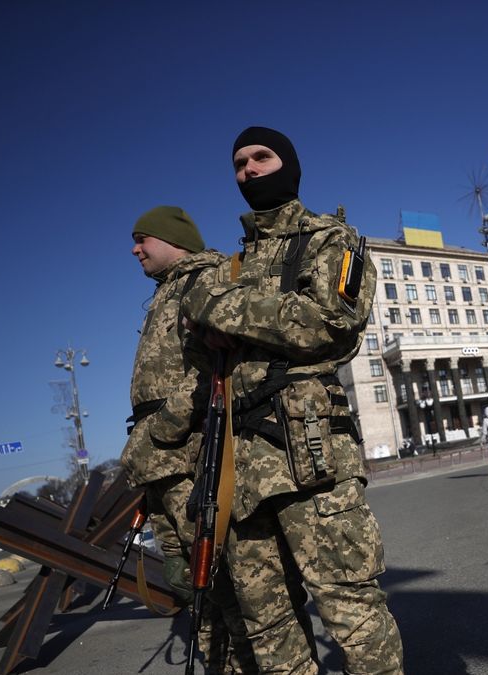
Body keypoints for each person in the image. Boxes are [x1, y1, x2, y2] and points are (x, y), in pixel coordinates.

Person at [180, 126, 403, 674]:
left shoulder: (332, 240)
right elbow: (209, 353)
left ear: (290, 165)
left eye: (261, 157)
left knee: (353, 615)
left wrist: (223, 310)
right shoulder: (229, 268)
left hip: (311, 458)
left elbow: (330, 322)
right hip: (238, 472)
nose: (248, 170)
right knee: (269, 630)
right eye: (238, 164)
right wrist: (206, 322)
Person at [119, 206, 252, 669]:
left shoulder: (201, 279)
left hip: (184, 454)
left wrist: (160, 430)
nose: (134, 249)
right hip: (159, 457)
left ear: (173, 238)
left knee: (216, 580)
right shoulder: (165, 292)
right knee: (188, 582)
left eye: (143, 239)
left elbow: (206, 371)